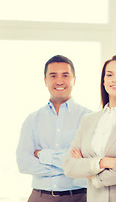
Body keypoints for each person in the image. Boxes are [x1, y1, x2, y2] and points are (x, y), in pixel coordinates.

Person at [63, 55, 116, 202]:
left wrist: (89, 172)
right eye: (109, 75)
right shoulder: (88, 120)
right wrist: (104, 162)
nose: (114, 79)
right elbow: (69, 165)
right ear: (103, 81)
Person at [16, 55, 90, 202]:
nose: (59, 81)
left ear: (74, 79)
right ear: (45, 81)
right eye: (53, 75)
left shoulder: (88, 117)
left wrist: (43, 155)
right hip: (40, 197)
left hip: (79, 197)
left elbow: (88, 161)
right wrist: (70, 168)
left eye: (65, 75)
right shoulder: (32, 120)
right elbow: (23, 163)